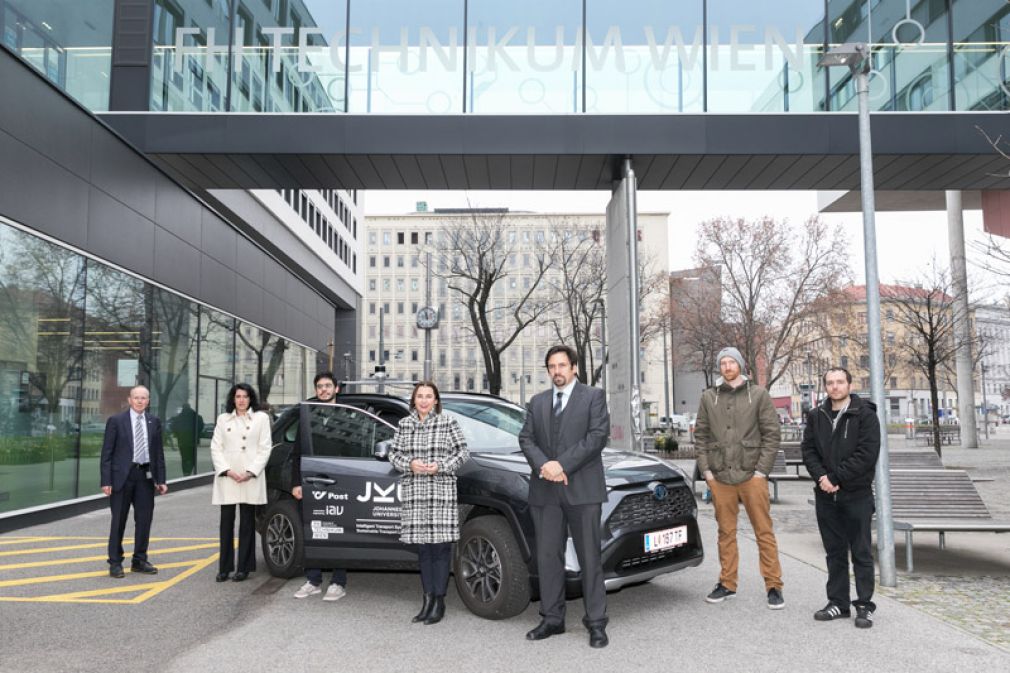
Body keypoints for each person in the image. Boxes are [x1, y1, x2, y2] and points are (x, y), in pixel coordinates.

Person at [518, 345, 611, 649]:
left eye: (562, 365)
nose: (557, 371)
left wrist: (562, 464)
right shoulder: (538, 401)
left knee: (589, 557)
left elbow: (597, 437)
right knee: (547, 558)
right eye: (551, 366)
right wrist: (545, 465)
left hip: (583, 490)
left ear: (574, 368)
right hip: (545, 491)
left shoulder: (593, 397)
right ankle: (552, 618)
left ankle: (596, 622)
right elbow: (526, 438)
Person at [694, 347, 785, 609]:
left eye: (731, 361)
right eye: (722, 362)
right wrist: (707, 471)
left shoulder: (757, 395)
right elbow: (700, 436)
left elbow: (771, 434)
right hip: (720, 476)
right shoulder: (708, 397)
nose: (726, 366)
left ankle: (774, 585)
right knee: (726, 533)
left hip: (751, 475)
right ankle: (727, 583)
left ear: (740, 365)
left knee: (764, 532)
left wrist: (761, 471)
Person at [802, 367, 881, 629]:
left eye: (839, 382)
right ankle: (838, 602)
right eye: (830, 383)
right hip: (826, 497)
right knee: (834, 552)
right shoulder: (816, 415)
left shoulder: (865, 415)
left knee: (861, 551)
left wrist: (836, 478)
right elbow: (809, 450)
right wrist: (822, 478)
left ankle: (864, 606)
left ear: (849, 384)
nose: (835, 387)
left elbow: (866, 454)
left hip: (856, 494)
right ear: (825, 386)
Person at [389, 381, 469, 625]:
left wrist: (441, 466)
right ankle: (427, 598)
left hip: (440, 494)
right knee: (424, 549)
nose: (424, 400)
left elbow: (463, 452)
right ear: (414, 400)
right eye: (420, 396)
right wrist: (409, 465)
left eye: (429, 396)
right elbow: (394, 454)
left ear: (436, 401)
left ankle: (439, 600)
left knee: (441, 549)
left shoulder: (448, 422)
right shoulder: (404, 424)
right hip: (415, 494)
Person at [292, 372, 350, 601]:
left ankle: (338, 581)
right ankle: (313, 579)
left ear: (337, 389)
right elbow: (297, 452)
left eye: (328, 386)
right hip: (312, 481)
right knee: (314, 530)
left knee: (339, 532)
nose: (324, 390)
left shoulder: (348, 416)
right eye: (319, 386)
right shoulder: (308, 415)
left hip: (340, 483)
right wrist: (296, 484)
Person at [100, 385, 168, 578]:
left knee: (144, 520)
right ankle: (115, 562)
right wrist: (106, 480)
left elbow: (158, 453)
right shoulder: (116, 421)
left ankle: (139, 560)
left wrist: (160, 479)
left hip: (145, 477)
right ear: (129, 400)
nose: (140, 401)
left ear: (148, 401)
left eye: (143, 398)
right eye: (136, 397)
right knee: (118, 521)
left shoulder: (153, 422)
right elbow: (107, 454)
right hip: (121, 478)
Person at [210, 383, 273, 582]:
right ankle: (224, 567)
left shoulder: (261, 418)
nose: (241, 400)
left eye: (245, 396)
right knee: (226, 523)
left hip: (249, 477)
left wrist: (251, 471)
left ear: (250, 399)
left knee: (247, 524)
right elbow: (215, 447)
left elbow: (265, 448)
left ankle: (244, 568)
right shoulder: (223, 419)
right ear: (233, 399)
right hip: (228, 476)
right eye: (238, 396)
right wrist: (227, 470)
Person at [169, 402, 205, 476]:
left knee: (184, 457)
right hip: (193, 441)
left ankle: (185, 471)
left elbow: (172, 426)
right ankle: (191, 470)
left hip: (182, 441)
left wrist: (177, 434)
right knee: (192, 456)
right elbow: (201, 425)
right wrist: (197, 433)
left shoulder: (179, 417)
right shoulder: (196, 416)